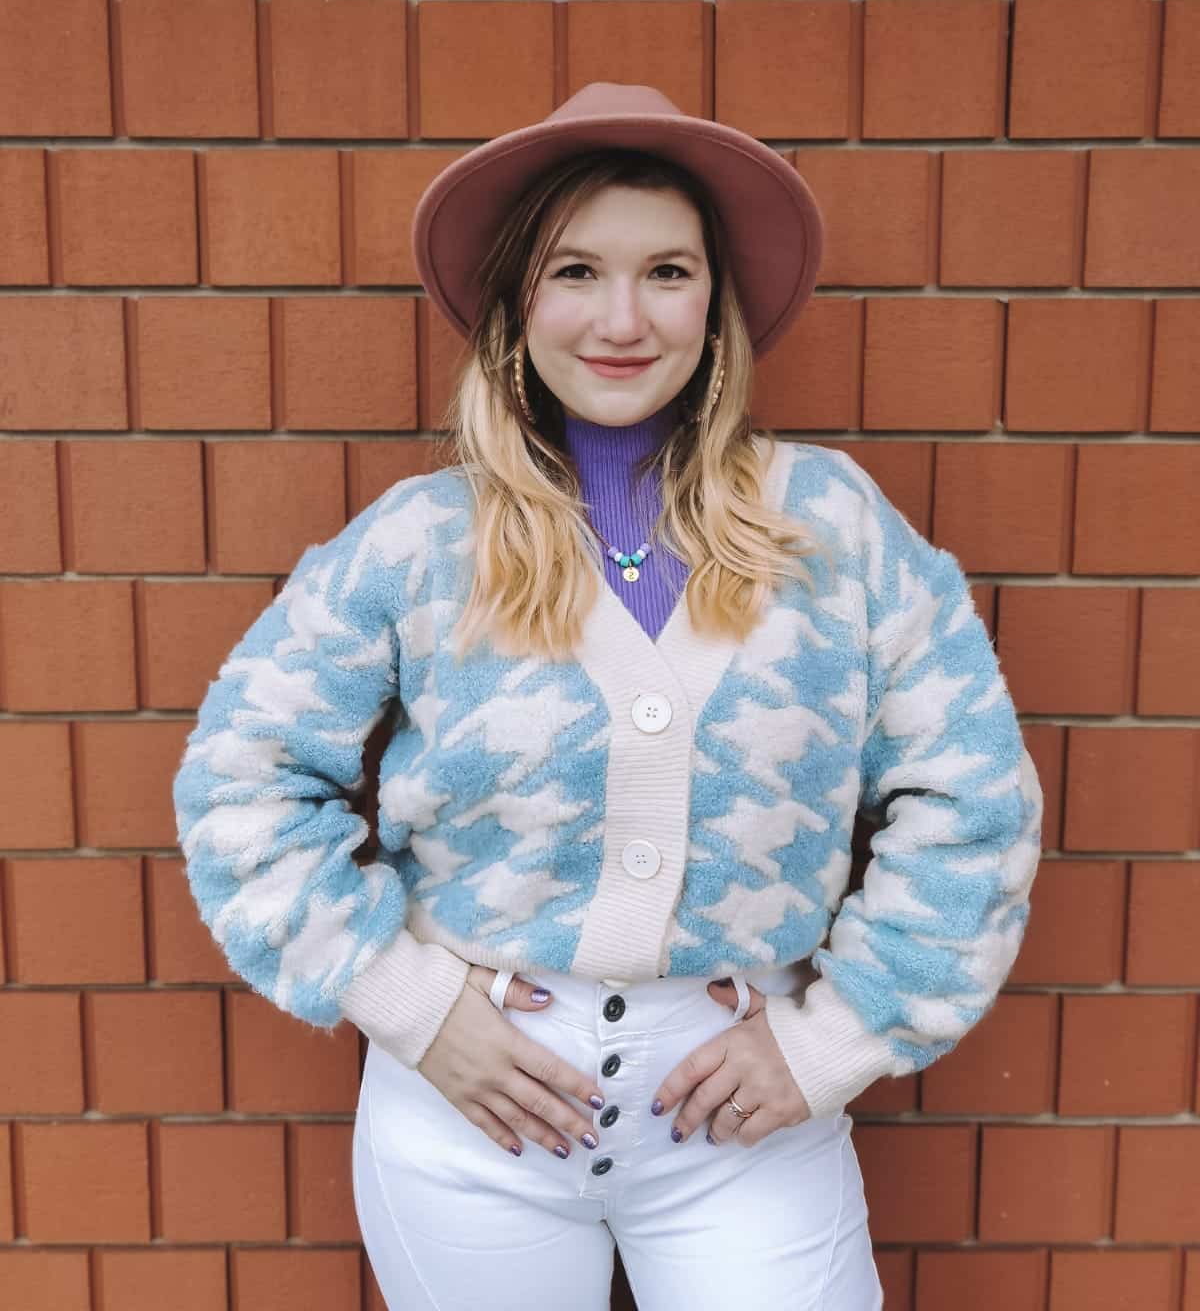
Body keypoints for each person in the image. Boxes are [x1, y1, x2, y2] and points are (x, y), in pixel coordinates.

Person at [173, 81, 1043, 1309]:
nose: (622, 318)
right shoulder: (423, 542)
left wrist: (836, 1039)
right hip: (472, 1118)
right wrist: (412, 1007)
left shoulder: (832, 528)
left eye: (667, 272)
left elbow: (974, 797)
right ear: (519, 303)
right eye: (576, 271)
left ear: (713, 302)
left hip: (744, 1120)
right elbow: (241, 777)